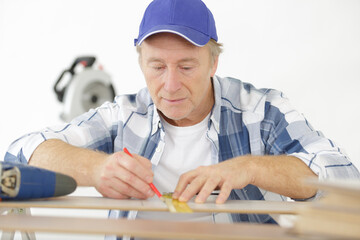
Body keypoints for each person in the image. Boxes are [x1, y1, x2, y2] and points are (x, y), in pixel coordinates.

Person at [4, 0, 360, 239]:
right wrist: (96, 169)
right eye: (157, 67)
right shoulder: (124, 115)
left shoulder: (261, 111)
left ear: (213, 62)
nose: (170, 85)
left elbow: (344, 176)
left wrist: (251, 168)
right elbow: (21, 153)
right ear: (141, 64)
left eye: (187, 66)